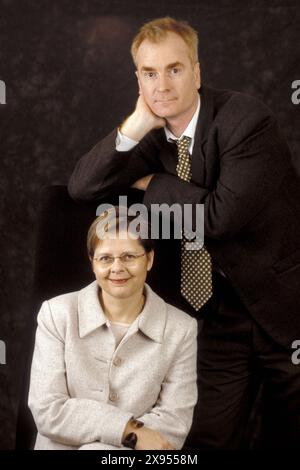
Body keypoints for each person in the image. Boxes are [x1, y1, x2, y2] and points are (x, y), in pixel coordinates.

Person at [68, 17, 300, 449]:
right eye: (149, 73)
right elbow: (83, 188)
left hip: (283, 310)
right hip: (213, 314)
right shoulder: (152, 137)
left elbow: (217, 219)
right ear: (138, 79)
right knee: (204, 440)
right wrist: (135, 124)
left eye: (174, 69)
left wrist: (154, 185)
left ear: (197, 71)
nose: (163, 85)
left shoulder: (245, 120)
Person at [28, 208, 198, 450]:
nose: (117, 268)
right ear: (92, 263)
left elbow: (174, 421)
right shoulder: (56, 314)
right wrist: (129, 431)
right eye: (105, 258)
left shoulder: (182, 329)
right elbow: (47, 409)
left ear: (149, 259)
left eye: (129, 256)